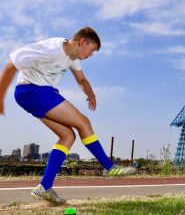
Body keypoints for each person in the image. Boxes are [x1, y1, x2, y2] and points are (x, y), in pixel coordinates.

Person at [0, 27, 136, 204]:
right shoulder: (50, 49)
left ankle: (44, 187)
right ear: (82, 42)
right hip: (32, 91)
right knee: (83, 122)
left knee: (67, 136)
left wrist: (91, 94)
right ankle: (108, 167)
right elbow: (12, 64)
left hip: (39, 93)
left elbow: (81, 80)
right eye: (92, 50)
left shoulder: (73, 57)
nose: (91, 55)